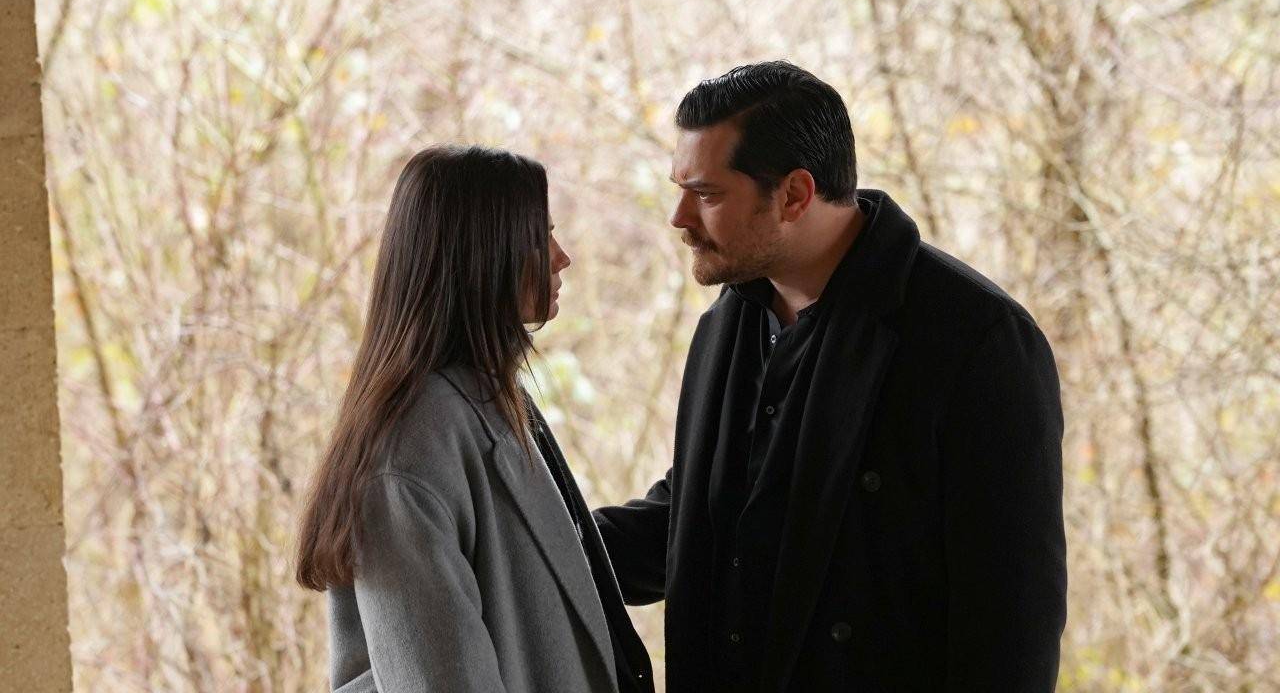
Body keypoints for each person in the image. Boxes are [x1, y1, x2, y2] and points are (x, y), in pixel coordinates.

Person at [594, 61, 1067, 691]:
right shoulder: (727, 323)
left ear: (794, 194)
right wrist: (531, 542)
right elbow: (702, 517)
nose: (679, 217)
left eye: (706, 194)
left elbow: (1012, 623)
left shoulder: (976, 340)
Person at [295, 145, 654, 693]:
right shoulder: (411, 446)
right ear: (485, 255)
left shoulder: (486, 399)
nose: (562, 257)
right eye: (541, 236)